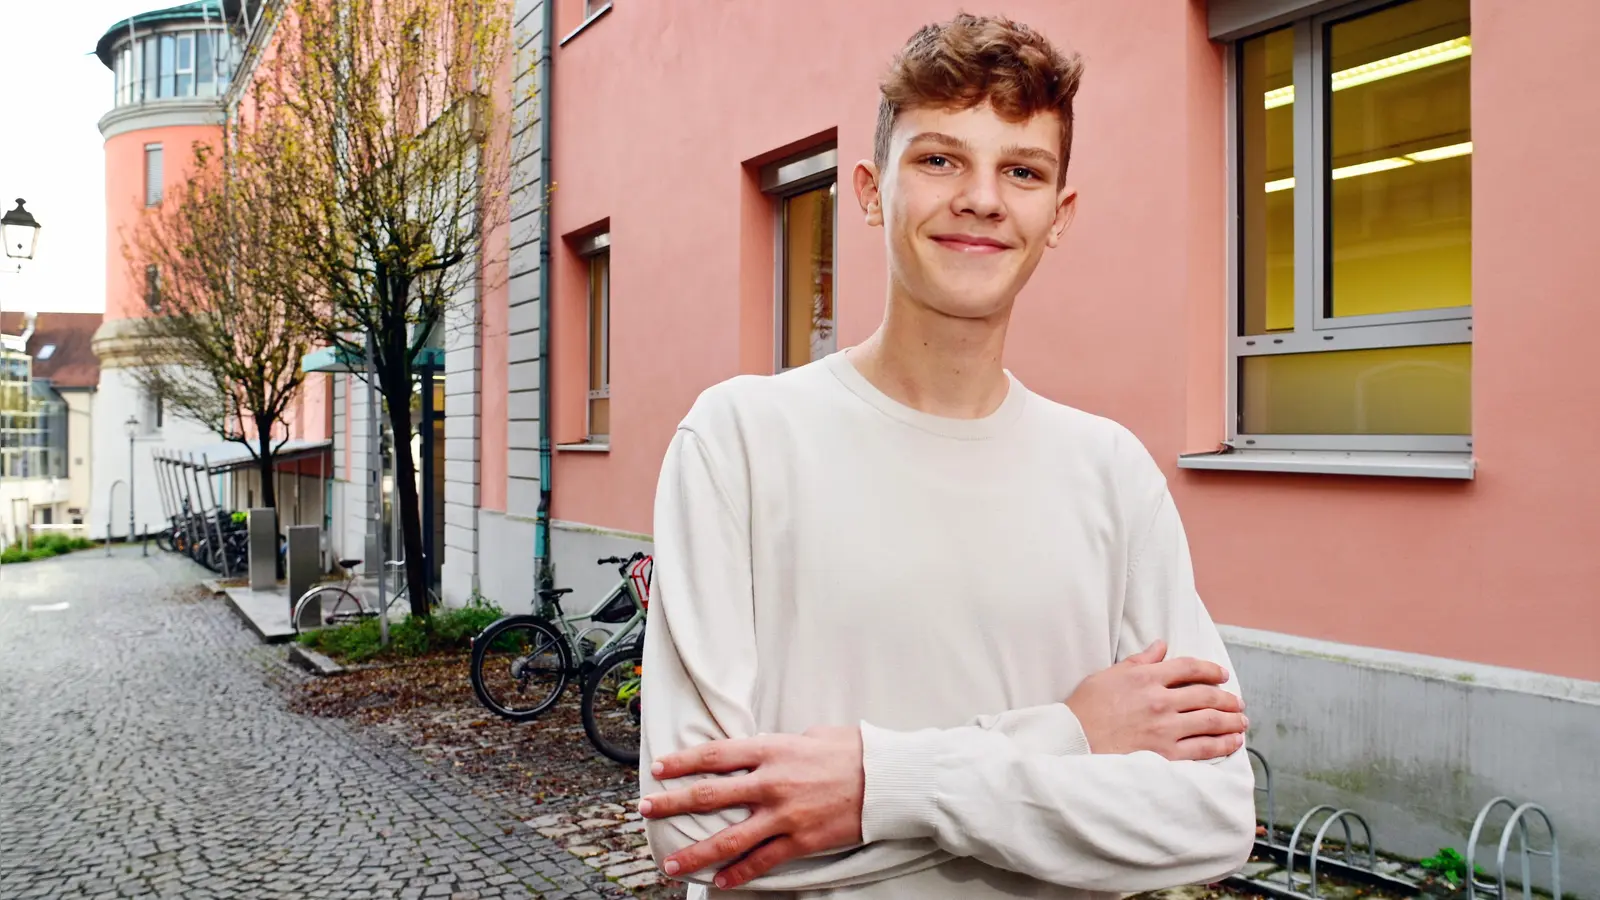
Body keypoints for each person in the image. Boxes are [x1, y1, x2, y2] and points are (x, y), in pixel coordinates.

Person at [637, 13, 1257, 899]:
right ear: (868, 191)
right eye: (938, 160)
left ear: (1059, 214)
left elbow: (1212, 816)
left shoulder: (1111, 473)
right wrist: (1068, 737)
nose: (982, 199)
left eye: (1022, 171)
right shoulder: (739, 441)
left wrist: (878, 785)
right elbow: (701, 827)